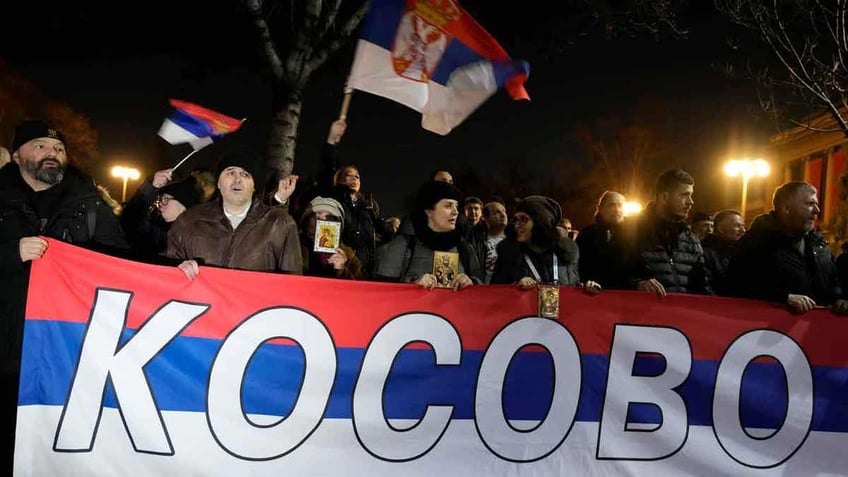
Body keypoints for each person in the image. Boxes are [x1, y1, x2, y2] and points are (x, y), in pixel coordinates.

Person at [0, 119, 129, 473]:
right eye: (40, 146)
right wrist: (11, 253)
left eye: (58, 149)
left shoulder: (88, 205)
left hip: (64, 351)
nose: (52, 154)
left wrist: (175, 271)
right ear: (16, 156)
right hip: (6, 350)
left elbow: (121, 260)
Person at [167, 153, 302, 279]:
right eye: (230, 173)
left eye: (245, 175)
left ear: (254, 186)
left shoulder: (280, 223)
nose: (237, 180)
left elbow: (292, 282)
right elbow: (167, 273)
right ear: (218, 183)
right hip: (204, 302)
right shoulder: (189, 220)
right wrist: (178, 269)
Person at [728, 181, 848, 314]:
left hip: (816, 329)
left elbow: (832, 283)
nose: (817, 211)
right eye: (809, 204)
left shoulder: (819, 244)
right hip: (772, 329)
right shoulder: (754, 243)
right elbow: (736, 286)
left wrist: (839, 299)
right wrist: (784, 298)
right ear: (786, 208)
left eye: (817, 205)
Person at [617, 168, 711, 297]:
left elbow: (702, 289)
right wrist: (638, 285)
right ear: (664, 197)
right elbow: (611, 277)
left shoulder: (691, 240)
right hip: (644, 314)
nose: (690, 202)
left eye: (691, 195)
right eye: (684, 195)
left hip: (681, 314)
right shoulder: (629, 232)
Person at [377, 180, 483, 289]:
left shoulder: (463, 246)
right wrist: (412, 286)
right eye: (448, 206)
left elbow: (483, 288)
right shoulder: (402, 245)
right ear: (429, 211)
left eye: (456, 206)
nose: (455, 212)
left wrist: (472, 282)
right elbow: (383, 292)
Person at [492, 195, 599, 294]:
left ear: (540, 222)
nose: (517, 225)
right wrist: (514, 286)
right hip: (523, 314)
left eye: (524, 219)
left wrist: (585, 290)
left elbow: (572, 287)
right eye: (516, 220)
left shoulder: (565, 255)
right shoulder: (509, 256)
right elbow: (494, 293)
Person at [299, 196, 363, 279]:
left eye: (330, 217)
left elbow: (360, 289)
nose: (323, 220)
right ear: (307, 221)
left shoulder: (349, 257)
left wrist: (342, 271)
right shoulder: (294, 246)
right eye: (318, 215)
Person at [575, 190, 625, 289]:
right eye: (611, 205)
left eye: (620, 205)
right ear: (600, 208)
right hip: (593, 294)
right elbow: (579, 266)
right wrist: (586, 282)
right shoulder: (587, 234)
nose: (617, 209)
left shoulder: (633, 235)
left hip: (624, 294)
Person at [701, 209, 745, 296]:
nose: (742, 230)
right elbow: (705, 286)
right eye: (737, 226)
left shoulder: (742, 253)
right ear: (720, 228)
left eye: (743, 226)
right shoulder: (706, 253)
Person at [481, 201, 508, 284]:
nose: (503, 215)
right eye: (497, 212)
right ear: (485, 217)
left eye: (504, 211)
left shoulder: (515, 242)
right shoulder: (477, 242)